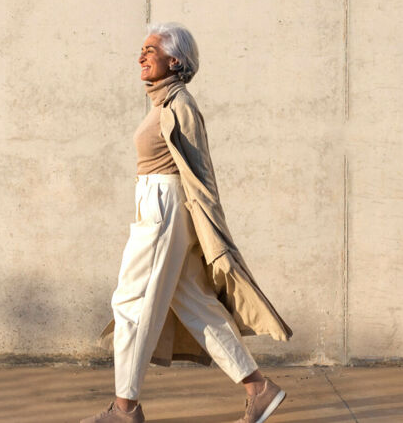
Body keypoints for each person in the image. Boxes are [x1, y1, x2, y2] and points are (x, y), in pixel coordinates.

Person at [82, 23, 293, 423]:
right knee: (194, 302)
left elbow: (201, 172)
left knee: (130, 304)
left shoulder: (180, 105)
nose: (141, 56)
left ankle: (124, 410)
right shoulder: (163, 103)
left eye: (151, 50)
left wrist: (213, 231)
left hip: (164, 208)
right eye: (140, 50)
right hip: (157, 206)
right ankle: (259, 389)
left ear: (174, 60)